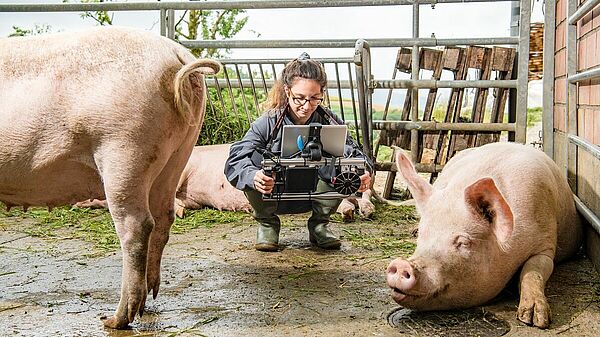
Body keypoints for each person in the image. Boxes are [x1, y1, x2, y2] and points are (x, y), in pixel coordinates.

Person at [224, 53, 372, 252]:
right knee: (254, 159)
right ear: (287, 91)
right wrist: (253, 176)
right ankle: (267, 224)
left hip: (315, 193)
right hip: (276, 192)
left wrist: (363, 173)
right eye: (300, 98)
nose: (307, 105)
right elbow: (236, 158)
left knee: (343, 160)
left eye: (314, 98)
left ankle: (320, 224)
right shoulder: (268, 121)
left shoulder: (330, 120)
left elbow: (357, 152)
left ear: (322, 94)